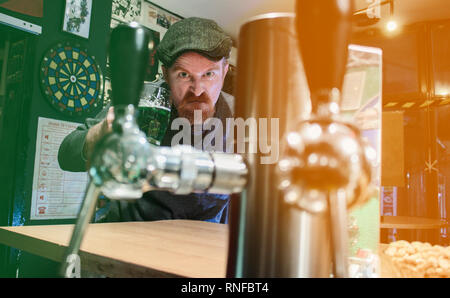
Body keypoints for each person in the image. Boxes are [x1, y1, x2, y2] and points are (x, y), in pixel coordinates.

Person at [58, 17, 235, 223]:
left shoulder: (241, 117)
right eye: (184, 74)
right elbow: (66, 156)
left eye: (209, 74)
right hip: (128, 234)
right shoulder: (144, 102)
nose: (197, 90)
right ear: (165, 75)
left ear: (224, 71)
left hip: (199, 245)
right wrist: (103, 133)